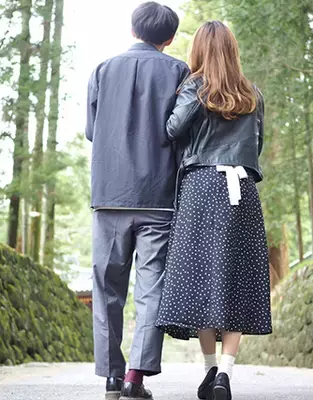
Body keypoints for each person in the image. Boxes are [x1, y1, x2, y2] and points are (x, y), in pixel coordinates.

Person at [155, 21, 272, 400]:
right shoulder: (252, 93)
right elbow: (257, 145)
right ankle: (224, 374)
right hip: (242, 189)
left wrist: (190, 93)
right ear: (232, 51)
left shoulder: (195, 87)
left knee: (200, 279)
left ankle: (209, 369)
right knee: (237, 280)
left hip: (201, 187)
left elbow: (173, 129)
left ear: (200, 50)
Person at [85, 2, 190, 400]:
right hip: (159, 196)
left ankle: (111, 377)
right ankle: (134, 377)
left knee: (107, 287)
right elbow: (182, 130)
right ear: (170, 38)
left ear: (133, 30)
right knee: (151, 287)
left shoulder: (103, 69)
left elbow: (92, 130)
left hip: (109, 194)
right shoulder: (179, 71)